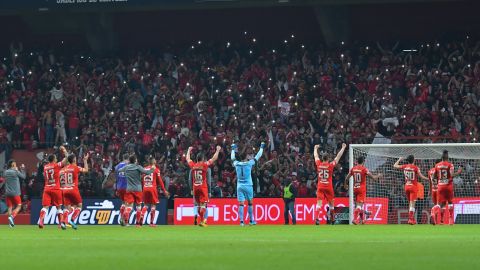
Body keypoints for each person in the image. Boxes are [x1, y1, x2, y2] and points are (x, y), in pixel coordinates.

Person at [186, 145, 222, 227]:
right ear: (202, 158)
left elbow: (188, 159)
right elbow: (214, 159)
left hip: (195, 187)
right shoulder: (204, 165)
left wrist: (188, 150)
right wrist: (217, 150)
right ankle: (202, 221)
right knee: (203, 205)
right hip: (203, 187)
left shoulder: (193, 165)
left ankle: (201, 221)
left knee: (198, 205)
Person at [231, 142, 265, 226]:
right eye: (248, 156)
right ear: (246, 157)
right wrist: (261, 147)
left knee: (241, 204)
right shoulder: (249, 163)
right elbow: (258, 156)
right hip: (248, 185)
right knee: (250, 203)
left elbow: (232, 157)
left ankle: (241, 222)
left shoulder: (236, 163)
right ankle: (251, 220)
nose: (250, 156)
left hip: (239, 186)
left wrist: (233, 149)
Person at [314, 143, 347, 225]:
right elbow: (338, 157)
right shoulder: (330, 165)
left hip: (320, 186)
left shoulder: (319, 164)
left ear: (322, 158)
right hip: (328, 187)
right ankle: (332, 220)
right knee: (331, 204)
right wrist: (343, 147)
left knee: (319, 203)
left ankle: (317, 218)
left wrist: (315, 148)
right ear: (328, 158)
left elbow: (315, 156)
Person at [118, 155, 155, 227]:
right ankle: (137, 223)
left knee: (129, 206)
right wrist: (152, 169)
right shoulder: (138, 167)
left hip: (129, 189)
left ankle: (126, 213)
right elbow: (147, 173)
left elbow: (119, 170)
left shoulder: (126, 167)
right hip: (138, 189)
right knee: (138, 206)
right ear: (135, 160)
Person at [344, 156, 381, 225]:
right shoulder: (364, 169)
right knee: (359, 206)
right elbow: (373, 177)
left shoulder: (353, 169)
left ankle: (362, 219)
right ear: (363, 162)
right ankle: (355, 219)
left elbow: (347, 177)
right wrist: (378, 175)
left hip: (355, 189)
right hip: (361, 189)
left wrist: (345, 184)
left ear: (357, 161)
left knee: (358, 205)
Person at [38, 146, 68, 229]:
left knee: (45, 207)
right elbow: (67, 159)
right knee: (59, 207)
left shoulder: (45, 167)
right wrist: (64, 150)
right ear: (54, 159)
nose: (56, 159)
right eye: (56, 158)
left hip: (47, 189)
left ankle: (41, 220)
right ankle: (61, 223)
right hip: (56, 189)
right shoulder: (57, 165)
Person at [394, 155, 428, 225]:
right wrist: (429, 179)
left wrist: (399, 159)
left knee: (410, 203)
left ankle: (410, 219)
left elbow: (395, 165)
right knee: (412, 204)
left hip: (406, 186)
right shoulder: (416, 168)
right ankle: (411, 219)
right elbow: (421, 177)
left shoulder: (405, 166)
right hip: (413, 187)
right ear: (413, 160)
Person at [61, 153, 89, 229]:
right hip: (73, 189)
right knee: (79, 206)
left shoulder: (63, 169)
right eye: (75, 158)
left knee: (67, 208)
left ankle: (63, 223)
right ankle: (72, 220)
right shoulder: (75, 167)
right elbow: (86, 170)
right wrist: (85, 160)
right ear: (73, 160)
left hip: (64, 190)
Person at [435, 150, 462, 225]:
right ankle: (450, 219)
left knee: (442, 203)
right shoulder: (450, 165)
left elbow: (434, 176)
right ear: (447, 156)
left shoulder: (437, 165)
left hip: (440, 186)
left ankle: (441, 220)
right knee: (450, 202)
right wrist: (459, 172)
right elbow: (452, 175)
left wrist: (440, 180)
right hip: (448, 186)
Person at [141, 157, 169, 227]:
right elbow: (160, 181)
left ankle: (141, 216)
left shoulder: (144, 169)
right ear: (154, 162)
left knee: (146, 205)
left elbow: (142, 179)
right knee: (153, 205)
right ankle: (151, 223)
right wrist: (164, 190)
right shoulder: (156, 169)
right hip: (152, 188)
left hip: (145, 188)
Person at [4, 159, 26, 227]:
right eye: (15, 164)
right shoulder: (15, 172)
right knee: (19, 206)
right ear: (13, 164)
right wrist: (22, 169)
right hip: (15, 193)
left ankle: (10, 224)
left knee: (10, 207)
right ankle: (12, 217)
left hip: (8, 193)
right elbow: (24, 177)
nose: (16, 165)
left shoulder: (6, 172)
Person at [114, 154, 129, 226]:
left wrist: (116, 188)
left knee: (123, 203)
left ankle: (121, 218)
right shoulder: (129, 165)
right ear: (128, 159)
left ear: (123, 158)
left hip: (119, 187)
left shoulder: (117, 166)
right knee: (127, 204)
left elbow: (116, 178)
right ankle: (125, 221)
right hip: (127, 187)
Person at [428, 160, 441, 225]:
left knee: (436, 205)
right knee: (439, 206)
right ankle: (433, 214)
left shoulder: (430, 171)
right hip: (439, 189)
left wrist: (430, 191)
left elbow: (430, 182)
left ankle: (434, 221)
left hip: (433, 190)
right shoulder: (439, 171)